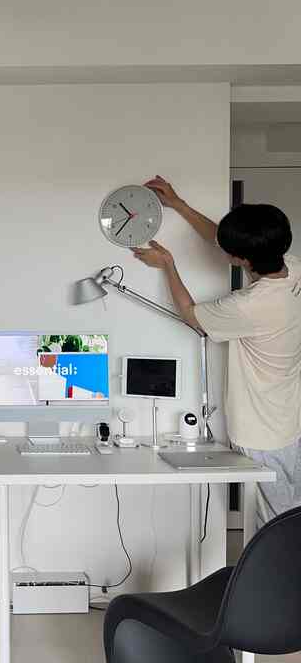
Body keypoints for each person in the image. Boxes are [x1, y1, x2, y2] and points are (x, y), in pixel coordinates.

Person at [132, 175, 301, 528]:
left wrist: (168, 265)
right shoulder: (295, 269)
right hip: (290, 421)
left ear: (242, 259)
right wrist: (178, 204)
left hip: (262, 433)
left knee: (275, 528)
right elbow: (228, 244)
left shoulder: (250, 306)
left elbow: (192, 316)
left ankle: (273, 582)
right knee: (289, 519)